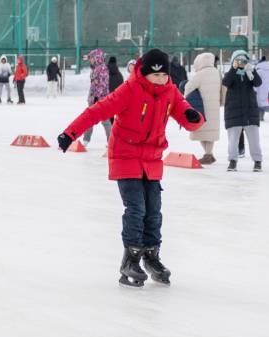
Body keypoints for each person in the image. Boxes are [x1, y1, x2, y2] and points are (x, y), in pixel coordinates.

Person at [57, 48, 204, 287]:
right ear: (144, 74)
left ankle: (151, 256)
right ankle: (131, 259)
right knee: (136, 209)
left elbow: (186, 115)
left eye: (163, 75)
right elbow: (97, 111)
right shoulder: (129, 90)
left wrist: (193, 117)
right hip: (125, 155)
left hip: (152, 159)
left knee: (154, 211)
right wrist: (70, 133)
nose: (159, 79)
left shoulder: (170, 92)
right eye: (154, 75)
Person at [222, 50, 263, 172]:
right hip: (234, 112)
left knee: (254, 139)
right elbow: (225, 82)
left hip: (250, 112)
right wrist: (234, 69)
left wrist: (252, 70)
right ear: (233, 61)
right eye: (238, 60)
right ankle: (232, 161)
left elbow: (258, 83)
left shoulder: (250, 73)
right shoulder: (232, 73)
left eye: (243, 60)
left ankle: (257, 161)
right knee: (233, 140)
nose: (241, 63)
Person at [183, 52, 223, 165]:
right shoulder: (217, 72)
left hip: (202, 107)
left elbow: (188, 87)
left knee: (200, 130)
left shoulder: (200, 74)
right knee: (211, 132)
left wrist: (187, 97)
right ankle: (209, 154)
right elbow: (222, 88)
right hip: (214, 107)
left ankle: (208, 155)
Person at [80, 50, 112, 149]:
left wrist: (96, 98)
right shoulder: (95, 69)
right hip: (93, 99)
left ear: (97, 58)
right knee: (89, 120)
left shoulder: (102, 69)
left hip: (100, 99)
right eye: (89, 58)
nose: (90, 60)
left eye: (92, 58)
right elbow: (94, 84)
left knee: (105, 121)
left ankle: (111, 141)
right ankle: (86, 140)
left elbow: (102, 85)